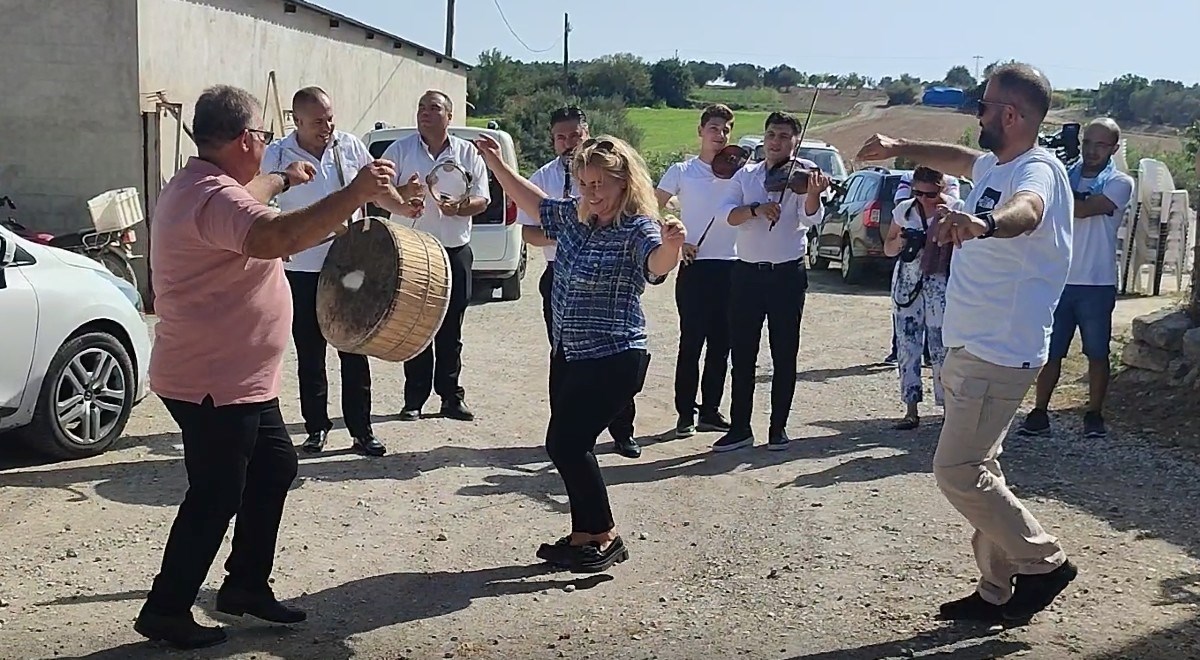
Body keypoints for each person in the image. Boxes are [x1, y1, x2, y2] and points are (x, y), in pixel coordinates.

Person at [135, 85, 406, 648]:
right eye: (259, 133)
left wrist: (285, 178)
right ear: (243, 139)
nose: (263, 141)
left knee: (275, 467)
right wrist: (354, 191)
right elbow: (278, 235)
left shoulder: (203, 184)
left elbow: (254, 194)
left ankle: (245, 587)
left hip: (238, 380)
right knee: (216, 495)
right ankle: (166, 608)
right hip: (213, 381)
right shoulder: (215, 200)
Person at [856, 62, 1079, 623]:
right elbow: (955, 159)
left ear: (1010, 114)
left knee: (958, 470)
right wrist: (900, 145)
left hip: (999, 349)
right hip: (971, 344)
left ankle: (1044, 562)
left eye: (982, 105)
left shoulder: (1038, 171)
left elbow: (1027, 212)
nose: (975, 113)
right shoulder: (996, 163)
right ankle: (997, 589)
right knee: (982, 468)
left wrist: (983, 224)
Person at [474, 132, 685, 572]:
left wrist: (672, 247)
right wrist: (496, 164)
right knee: (573, 446)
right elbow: (534, 203)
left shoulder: (639, 228)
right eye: (585, 184)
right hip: (569, 353)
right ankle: (583, 535)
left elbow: (655, 266)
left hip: (614, 356)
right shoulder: (576, 218)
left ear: (624, 182)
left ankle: (605, 535)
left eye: (601, 184)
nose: (593, 193)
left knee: (565, 444)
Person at [261, 86, 383, 456]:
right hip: (301, 270)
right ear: (296, 121)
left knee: (354, 348)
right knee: (310, 353)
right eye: (317, 121)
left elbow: (375, 190)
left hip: (349, 265)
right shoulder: (277, 156)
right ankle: (316, 427)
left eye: (330, 117)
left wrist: (402, 199)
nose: (327, 126)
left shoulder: (350, 147)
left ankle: (362, 431)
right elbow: (262, 203)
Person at [517, 106, 641, 458]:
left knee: (610, 354)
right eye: (561, 137)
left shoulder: (609, 171)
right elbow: (527, 230)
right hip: (560, 273)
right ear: (552, 139)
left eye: (575, 135)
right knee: (564, 355)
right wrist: (570, 234)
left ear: (586, 133)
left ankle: (622, 431)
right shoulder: (542, 177)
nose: (568, 142)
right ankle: (568, 433)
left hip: (605, 274)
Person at [711, 112, 830, 453]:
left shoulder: (804, 173)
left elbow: (812, 217)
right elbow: (727, 215)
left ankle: (778, 429)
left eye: (783, 136)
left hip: (787, 275)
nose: (776, 141)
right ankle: (740, 428)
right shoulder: (745, 175)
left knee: (784, 354)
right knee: (743, 355)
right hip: (747, 274)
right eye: (771, 135)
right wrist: (757, 209)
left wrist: (812, 193)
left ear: (795, 141)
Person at [1018, 118, 1133, 439]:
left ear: (1114, 148)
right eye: (1087, 143)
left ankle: (1094, 413)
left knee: (1096, 352)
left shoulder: (1120, 182)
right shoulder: (1065, 176)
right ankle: (1039, 412)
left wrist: (1059, 183)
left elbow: (1086, 209)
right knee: (1050, 352)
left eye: (1100, 145)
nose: (1092, 151)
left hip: (1097, 282)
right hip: (1059, 279)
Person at [382, 90, 490, 422]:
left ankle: (451, 397)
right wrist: (404, 194)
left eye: (433, 108)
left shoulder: (467, 153)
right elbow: (379, 194)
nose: (425, 113)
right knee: (415, 326)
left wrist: (458, 206)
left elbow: (482, 199)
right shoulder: (399, 150)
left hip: (454, 250)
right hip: (413, 252)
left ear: (450, 116)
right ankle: (414, 399)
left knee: (451, 329)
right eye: (421, 107)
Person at [655, 104, 738, 438]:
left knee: (722, 344)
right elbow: (649, 205)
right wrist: (674, 236)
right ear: (701, 131)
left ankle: (710, 411)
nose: (720, 136)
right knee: (691, 343)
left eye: (726, 130)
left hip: (732, 266)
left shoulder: (741, 172)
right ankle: (684, 415)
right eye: (715, 128)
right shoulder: (683, 170)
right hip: (695, 265)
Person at [882, 166, 957, 430]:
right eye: (918, 193)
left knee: (941, 348)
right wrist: (904, 242)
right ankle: (911, 409)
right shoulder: (905, 211)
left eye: (931, 193)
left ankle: (947, 409)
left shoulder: (955, 209)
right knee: (907, 344)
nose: (924, 199)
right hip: (907, 281)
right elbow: (888, 247)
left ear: (942, 188)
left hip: (940, 282)